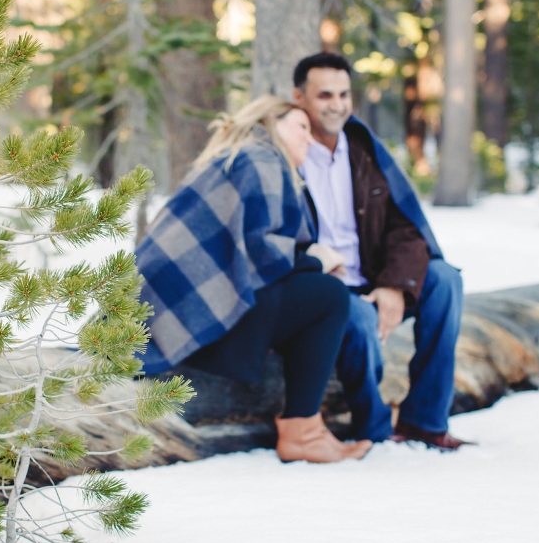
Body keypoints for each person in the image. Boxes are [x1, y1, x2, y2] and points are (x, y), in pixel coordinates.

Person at [136, 95, 372, 464]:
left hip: (167, 314)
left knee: (311, 293)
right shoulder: (262, 157)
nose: (309, 140)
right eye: (302, 127)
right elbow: (266, 258)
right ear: (269, 123)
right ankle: (303, 432)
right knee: (328, 296)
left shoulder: (235, 158)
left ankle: (307, 424)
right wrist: (319, 260)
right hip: (191, 318)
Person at [292, 51, 473, 451]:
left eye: (343, 94)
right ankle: (372, 427)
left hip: (373, 276)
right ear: (299, 97)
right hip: (322, 286)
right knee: (353, 315)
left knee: (445, 281)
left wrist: (395, 285)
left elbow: (404, 226)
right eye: (325, 95)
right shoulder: (286, 156)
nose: (337, 105)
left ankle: (425, 420)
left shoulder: (363, 149)